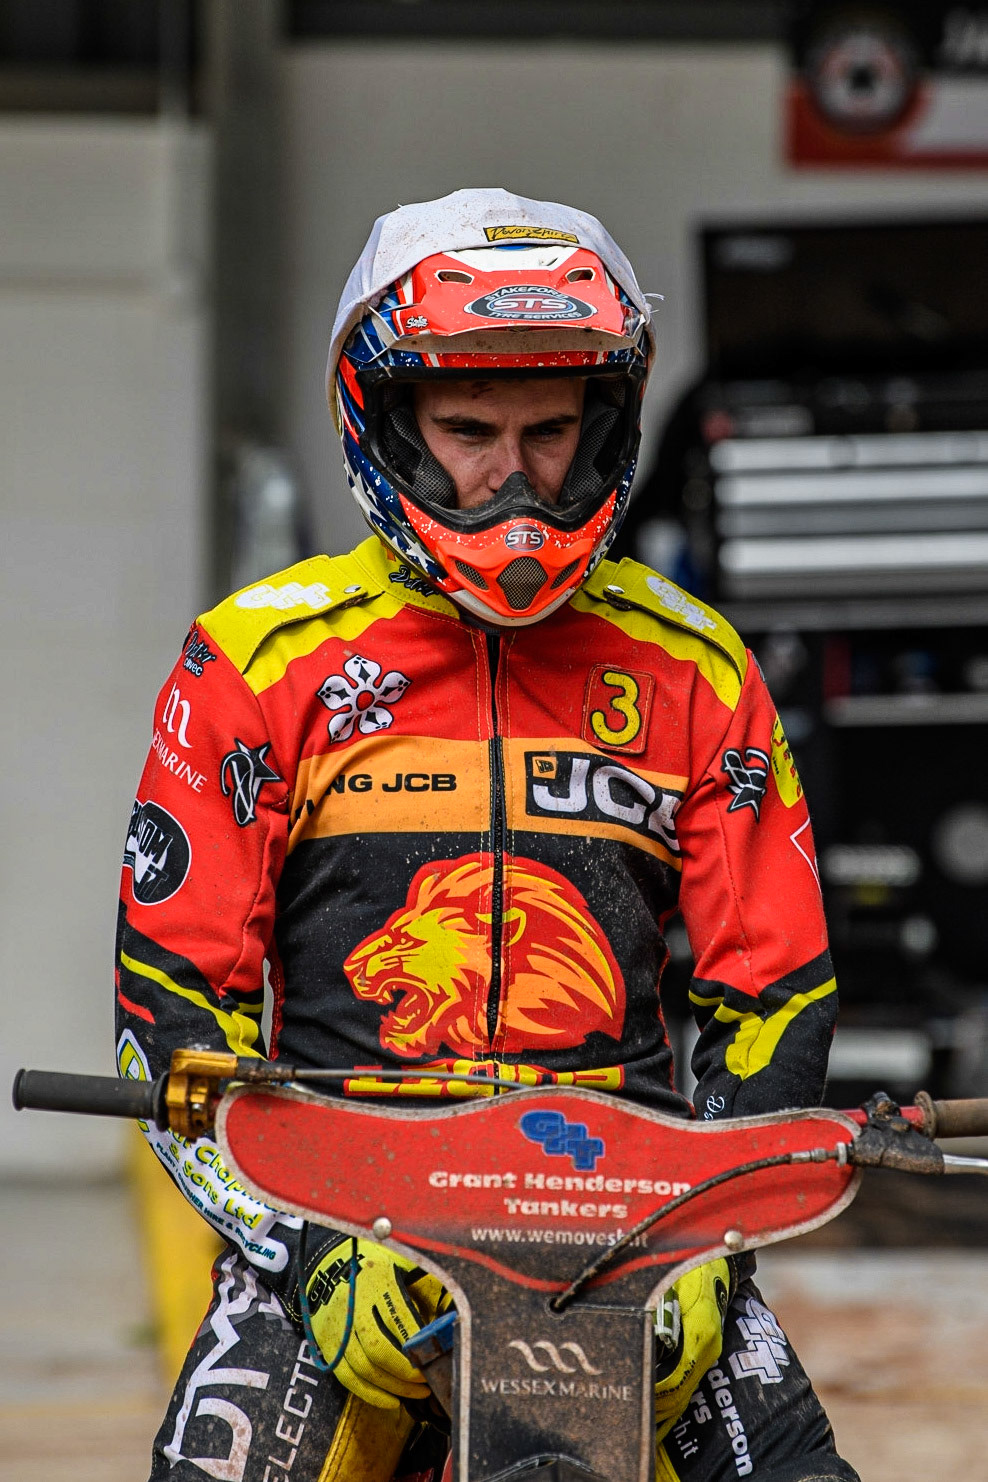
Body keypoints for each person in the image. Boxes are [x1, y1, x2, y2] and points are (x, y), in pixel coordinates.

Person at [116, 188, 858, 1482]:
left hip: (631, 1215)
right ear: (388, 421)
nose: (511, 474)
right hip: (339, 1212)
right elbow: (176, 1016)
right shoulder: (255, 662)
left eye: (549, 429)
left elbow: (774, 989)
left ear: (604, 424)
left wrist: (705, 1238)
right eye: (467, 429)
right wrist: (304, 1248)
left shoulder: (693, 663)